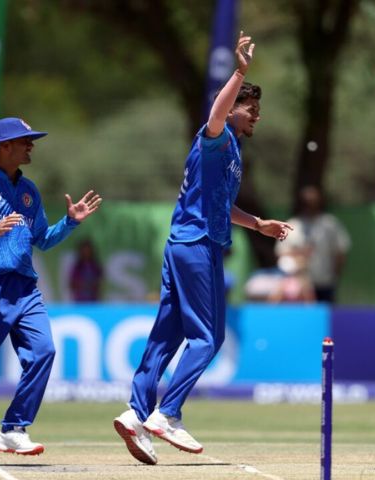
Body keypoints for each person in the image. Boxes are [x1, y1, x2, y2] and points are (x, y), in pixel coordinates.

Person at [113, 31, 293, 465]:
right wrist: (240, 71)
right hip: (198, 245)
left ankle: (136, 413)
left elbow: (221, 204)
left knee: (166, 335)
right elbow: (215, 115)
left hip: (183, 243)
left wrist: (258, 225)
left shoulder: (231, 151)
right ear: (233, 109)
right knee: (209, 337)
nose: (257, 118)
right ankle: (167, 414)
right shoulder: (216, 137)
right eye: (252, 110)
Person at [0, 117, 102, 466]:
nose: (31, 146)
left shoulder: (30, 191)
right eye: (25, 141)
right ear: (5, 147)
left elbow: (42, 239)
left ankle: (13, 427)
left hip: (25, 289)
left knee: (44, 351)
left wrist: (70, 222)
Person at [275, 185, 351, 303]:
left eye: (312, 202)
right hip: (298, 288)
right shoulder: (292, 225)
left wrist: (335, 276)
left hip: (324, 283)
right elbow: (281, 252)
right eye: (306, 202)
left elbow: (340, 252)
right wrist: (300, 254)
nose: (309, 205)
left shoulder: (330, 224)